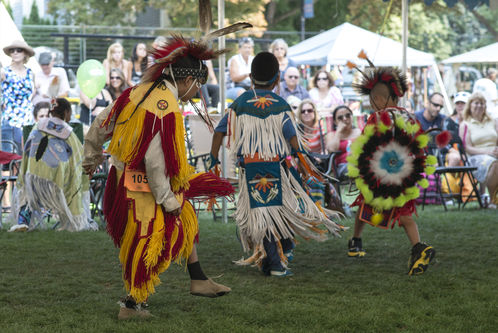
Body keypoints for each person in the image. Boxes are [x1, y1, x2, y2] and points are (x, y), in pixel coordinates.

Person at [83, 35, 236, 319]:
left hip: (125, 181)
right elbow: (155, 161)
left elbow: (100, 123)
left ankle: (198, 278)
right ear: (187, 79)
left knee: (186, 217)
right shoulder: (164, 107)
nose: (198, 91)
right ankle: (131, 306)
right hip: (141, 187)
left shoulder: (135, 92)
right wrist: (167, 199)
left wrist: (90, 158)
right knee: (146, 240)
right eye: (198, 84)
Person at [210, 52, 342, 277]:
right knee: (270, 214)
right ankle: (277, 264)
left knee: (265, 214)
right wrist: (302, 162)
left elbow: (219, 131)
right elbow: (292, 138)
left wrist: (214, 161)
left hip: (250, 169)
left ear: (251, 78)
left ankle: (274, 257)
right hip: (275, 167)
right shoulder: (280, 105)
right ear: (277, 78)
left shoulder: (240, 103)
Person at [346, 54, 436, 275]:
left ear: (378, 99)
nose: (370, 103)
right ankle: (416, 246)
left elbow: (365, 144)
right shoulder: (411, 118)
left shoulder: (376, 118)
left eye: (371, 99)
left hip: (381, 175)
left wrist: (359, 171)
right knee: (404, 213)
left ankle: (358, 241)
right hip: (406, 174)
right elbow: (420, 147)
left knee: (366, 203)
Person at [10, 98, 95, 232]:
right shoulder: (68, 132)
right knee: (73, 181)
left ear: (52, 112)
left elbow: (27, 149)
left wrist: (28, 170)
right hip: (58, 182)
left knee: (28, 189)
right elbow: (79, 159)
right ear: (67, 112)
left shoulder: (38, 125)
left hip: (33, 175)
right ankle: (73, 222)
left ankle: (23, 220)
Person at [459, 92, 498, 208]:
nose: (479, 106)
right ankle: (492, 200)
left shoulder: (493, 121)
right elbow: (467, 148)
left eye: (482, 103)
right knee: (494, 164)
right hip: (476, 158)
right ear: (470, 105)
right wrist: (488, 152)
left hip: (494, 153)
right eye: (476, 103)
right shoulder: (465, 124)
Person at [1, 40, 36, 153]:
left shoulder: (31, 73)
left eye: (19, 50)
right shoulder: (4, 72)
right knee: (8, 158)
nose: (15, 52)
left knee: (25, 156)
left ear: (25, 53)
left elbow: (32, 93)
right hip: (9, 119)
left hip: (27, 120)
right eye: (12, 50)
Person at [326, 105, 361, 179]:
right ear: (335, 122)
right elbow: (331, 150)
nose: (345, 119)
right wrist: (338, 131)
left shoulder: (358, 132)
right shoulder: (332, 134)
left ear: (352, 117)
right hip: (344, 166)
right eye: (340, 118)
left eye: (348, 115)